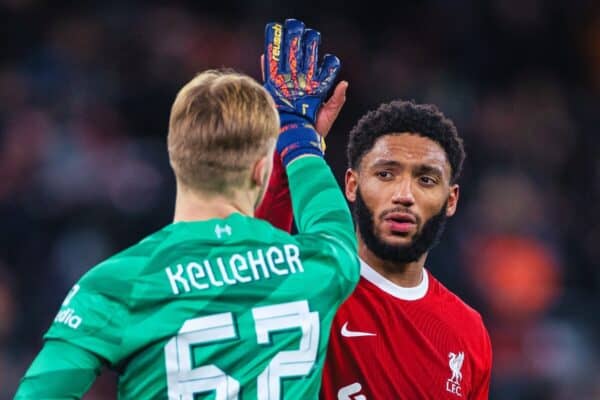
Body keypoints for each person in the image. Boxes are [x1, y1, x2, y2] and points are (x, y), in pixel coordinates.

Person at [14, 19, 359, 399]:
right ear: (262, 169)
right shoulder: (319, 265)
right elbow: (331, 226)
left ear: (175, 156)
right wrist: (298, 137)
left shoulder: (115, 285)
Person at [258, 100, 492, 399]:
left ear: (451, 200)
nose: (404, 195)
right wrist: (288, 142)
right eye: (385, 174)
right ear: (352, 185)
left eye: (426, 180)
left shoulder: (468, 332)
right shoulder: (311, 287)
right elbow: (257, 262)